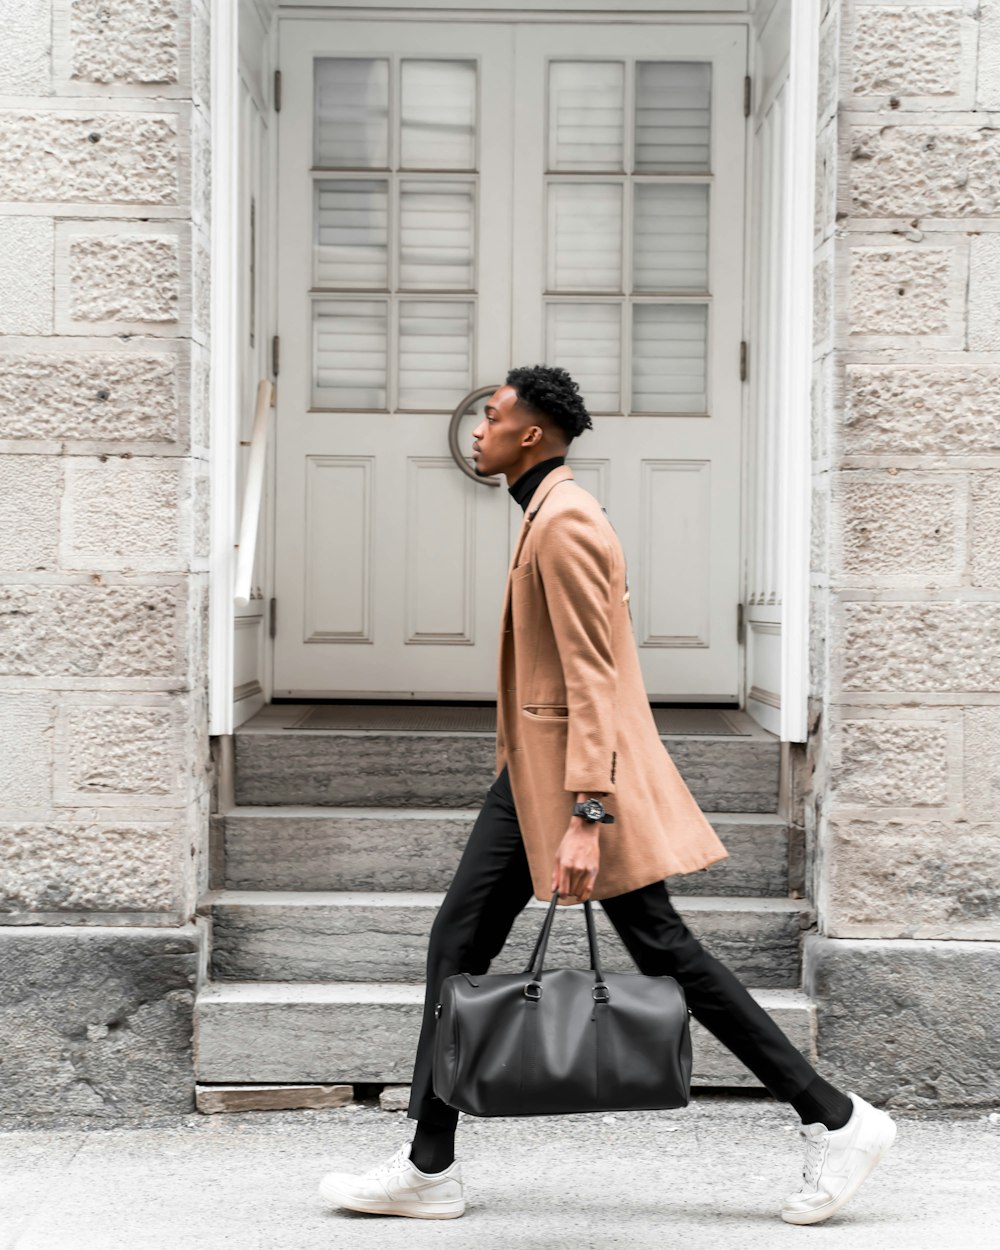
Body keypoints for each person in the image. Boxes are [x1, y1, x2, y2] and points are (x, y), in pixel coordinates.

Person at [317, 365, 896, 1225]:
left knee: (664, 951)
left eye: (493, 415)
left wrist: (589, 812)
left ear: (532, 436)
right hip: (533, 780)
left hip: (578, 785)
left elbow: (593, 678)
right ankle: (428, 1163)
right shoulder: (542, 512)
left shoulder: (567, 523)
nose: (477, 427)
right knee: (458, 942)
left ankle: (836, 1117)